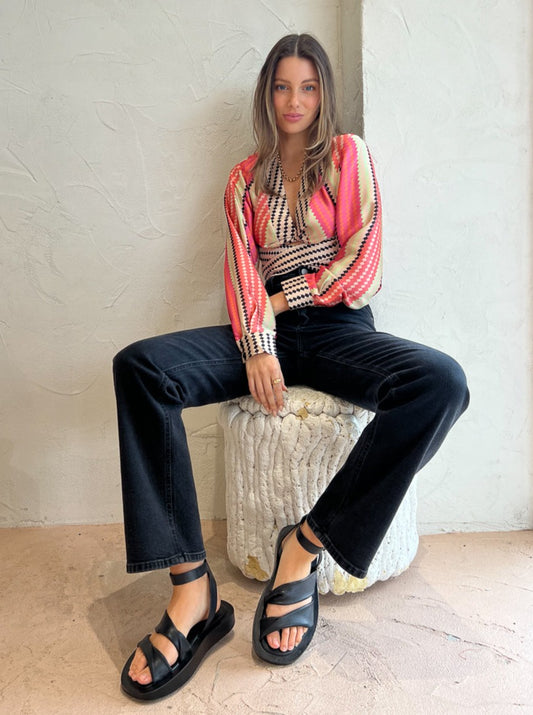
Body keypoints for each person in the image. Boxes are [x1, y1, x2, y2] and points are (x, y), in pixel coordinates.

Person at [113, 33, 469, 701]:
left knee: (441, 383)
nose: (294, 100)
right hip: (259, 328)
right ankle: (192, 591)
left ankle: (305, 544)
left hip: (335, 327)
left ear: (323, 94)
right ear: (267, 95)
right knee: (140, 368)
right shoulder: (242, 180)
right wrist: (256, 341)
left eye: (307, 87)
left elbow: (362, 263)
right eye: (282, 86)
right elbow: (240, 269)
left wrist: (276, 307)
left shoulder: (348, 156)